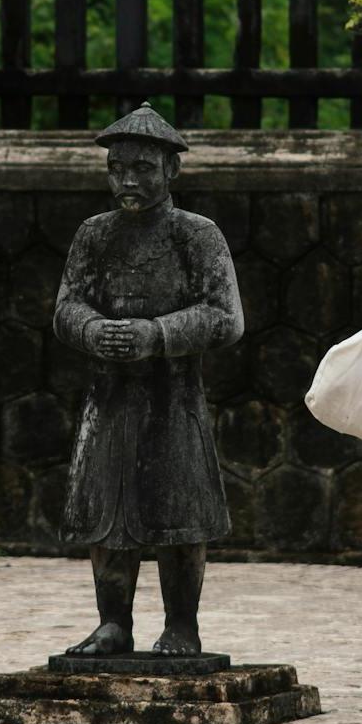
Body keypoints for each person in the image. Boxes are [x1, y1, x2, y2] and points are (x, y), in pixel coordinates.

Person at [54, 105, 243, 657]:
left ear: (171, 172)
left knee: (180, 512)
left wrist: (156, 334)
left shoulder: (196, 236)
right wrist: (94, 332)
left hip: (173, 396)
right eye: (118, 169)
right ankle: (114, 622)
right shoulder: (94, 235)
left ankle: (182, 625)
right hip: (109, 397)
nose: (128, 180)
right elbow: (68, 306)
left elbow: (226, 315)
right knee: (105, 512)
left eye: (141, 168)